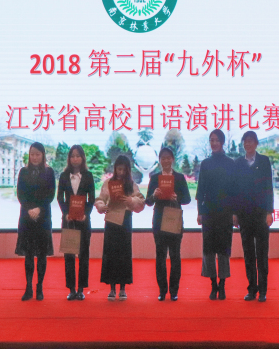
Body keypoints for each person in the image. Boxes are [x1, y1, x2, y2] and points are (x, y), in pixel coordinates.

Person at [94, 155, 145, 300]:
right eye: (118, 169)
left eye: (123, 169)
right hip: (111, 220)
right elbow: (100, 199)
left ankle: (122, 288)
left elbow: (141, 201)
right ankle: (112, 288)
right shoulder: (108, 183)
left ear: (128, 170)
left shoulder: (131, 185)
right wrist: (101, 206)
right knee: (111, 254)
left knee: (124, 254)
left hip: (125, 221)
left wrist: (131, 200)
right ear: (115, 169)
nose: (121, 172)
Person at [145, 147, 191, 301]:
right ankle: (162, 290)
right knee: (160, 256)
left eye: (168, 158)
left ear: (172, 159)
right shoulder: (155, 178)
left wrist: (177, 198)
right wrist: (154, 195)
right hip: (159, 220)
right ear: (159, 160)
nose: (165, 160)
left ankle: (174, 291)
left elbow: (187, 199)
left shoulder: (179, 177)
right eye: (163, 158)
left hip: (174, 219)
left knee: (175, 255)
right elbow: (148, 202)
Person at [196, 129, 237, 300]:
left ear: (222, 142)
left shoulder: (231, 163)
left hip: (226, 212)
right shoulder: (205, 164)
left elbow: (235, 191)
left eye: (216, 140)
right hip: (208, 212)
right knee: (209, 249)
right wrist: (199, 212)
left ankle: (222, 285)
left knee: (223, 249)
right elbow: (200, 189)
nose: (213, 143)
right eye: (211, 140)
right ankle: (213, 285)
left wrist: (235, 213)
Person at [234, 131, 274, 302]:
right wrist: (235, 213)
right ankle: (252, 289)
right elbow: (234, 190)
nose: (248, 144)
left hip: (261, 214)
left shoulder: (264, 161)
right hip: (244, 215)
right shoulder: (238, 163)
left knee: (262, 253)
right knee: (248, 254)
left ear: (256, 143)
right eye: (245, 141)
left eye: (251, 141)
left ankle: (263, 291)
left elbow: (268, 187)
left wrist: (269, 212)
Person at [15, 142, 56, 301]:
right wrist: (30, 209)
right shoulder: (23, 172)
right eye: (32, 154)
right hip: (27, 218)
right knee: (29, 255)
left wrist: (39, 209)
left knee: (42, 254)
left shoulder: (49, 172)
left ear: (43, 155)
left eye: (37, 154)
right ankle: (28, 287)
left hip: (43, 217)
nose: (34, 157)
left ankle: (40, 287)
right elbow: (20, 194)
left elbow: (51, 194)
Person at [57, 145, 96, 301]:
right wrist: (65, 213)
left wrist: (86, 214)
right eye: (72, 156)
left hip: (83, 221)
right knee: (69, 255)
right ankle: (71, 289)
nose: (75, 159)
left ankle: (81, 289)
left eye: (78, 156)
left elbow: (91, 198)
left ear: (82, 158)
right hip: (68, 221)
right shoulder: (63, 176)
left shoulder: (88, 175)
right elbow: (60, 197)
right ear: (69, 158)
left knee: (83, 255)